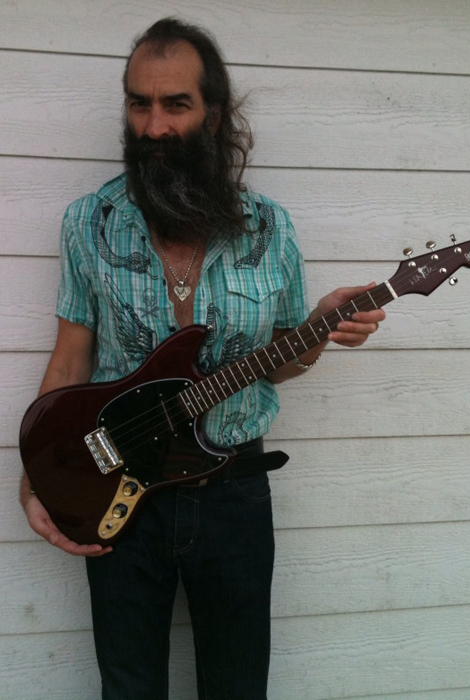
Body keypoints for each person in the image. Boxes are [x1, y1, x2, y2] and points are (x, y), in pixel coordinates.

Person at [19, 17, 386, 700]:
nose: (153, 127)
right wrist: (35, 474)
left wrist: (319, 329)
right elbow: (71, 359)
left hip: (235, 495)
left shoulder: (270, 230)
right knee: (128, 688)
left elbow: (278, 362)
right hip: (118, 493)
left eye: (175, 105)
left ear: (212, 115)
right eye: (139, 103)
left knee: (238, 687)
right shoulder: (86, 223)